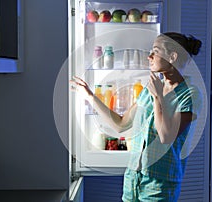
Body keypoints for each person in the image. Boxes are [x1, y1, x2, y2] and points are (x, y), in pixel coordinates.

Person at [70, 32, 202, 201]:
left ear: (173, 56)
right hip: (133, 177)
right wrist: (90, 96)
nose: (149, 56)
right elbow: (121, 124)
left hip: (159, 183)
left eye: (155, 51)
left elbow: (166, 136)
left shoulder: (190, 95)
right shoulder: (149, 89)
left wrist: (158, 97)